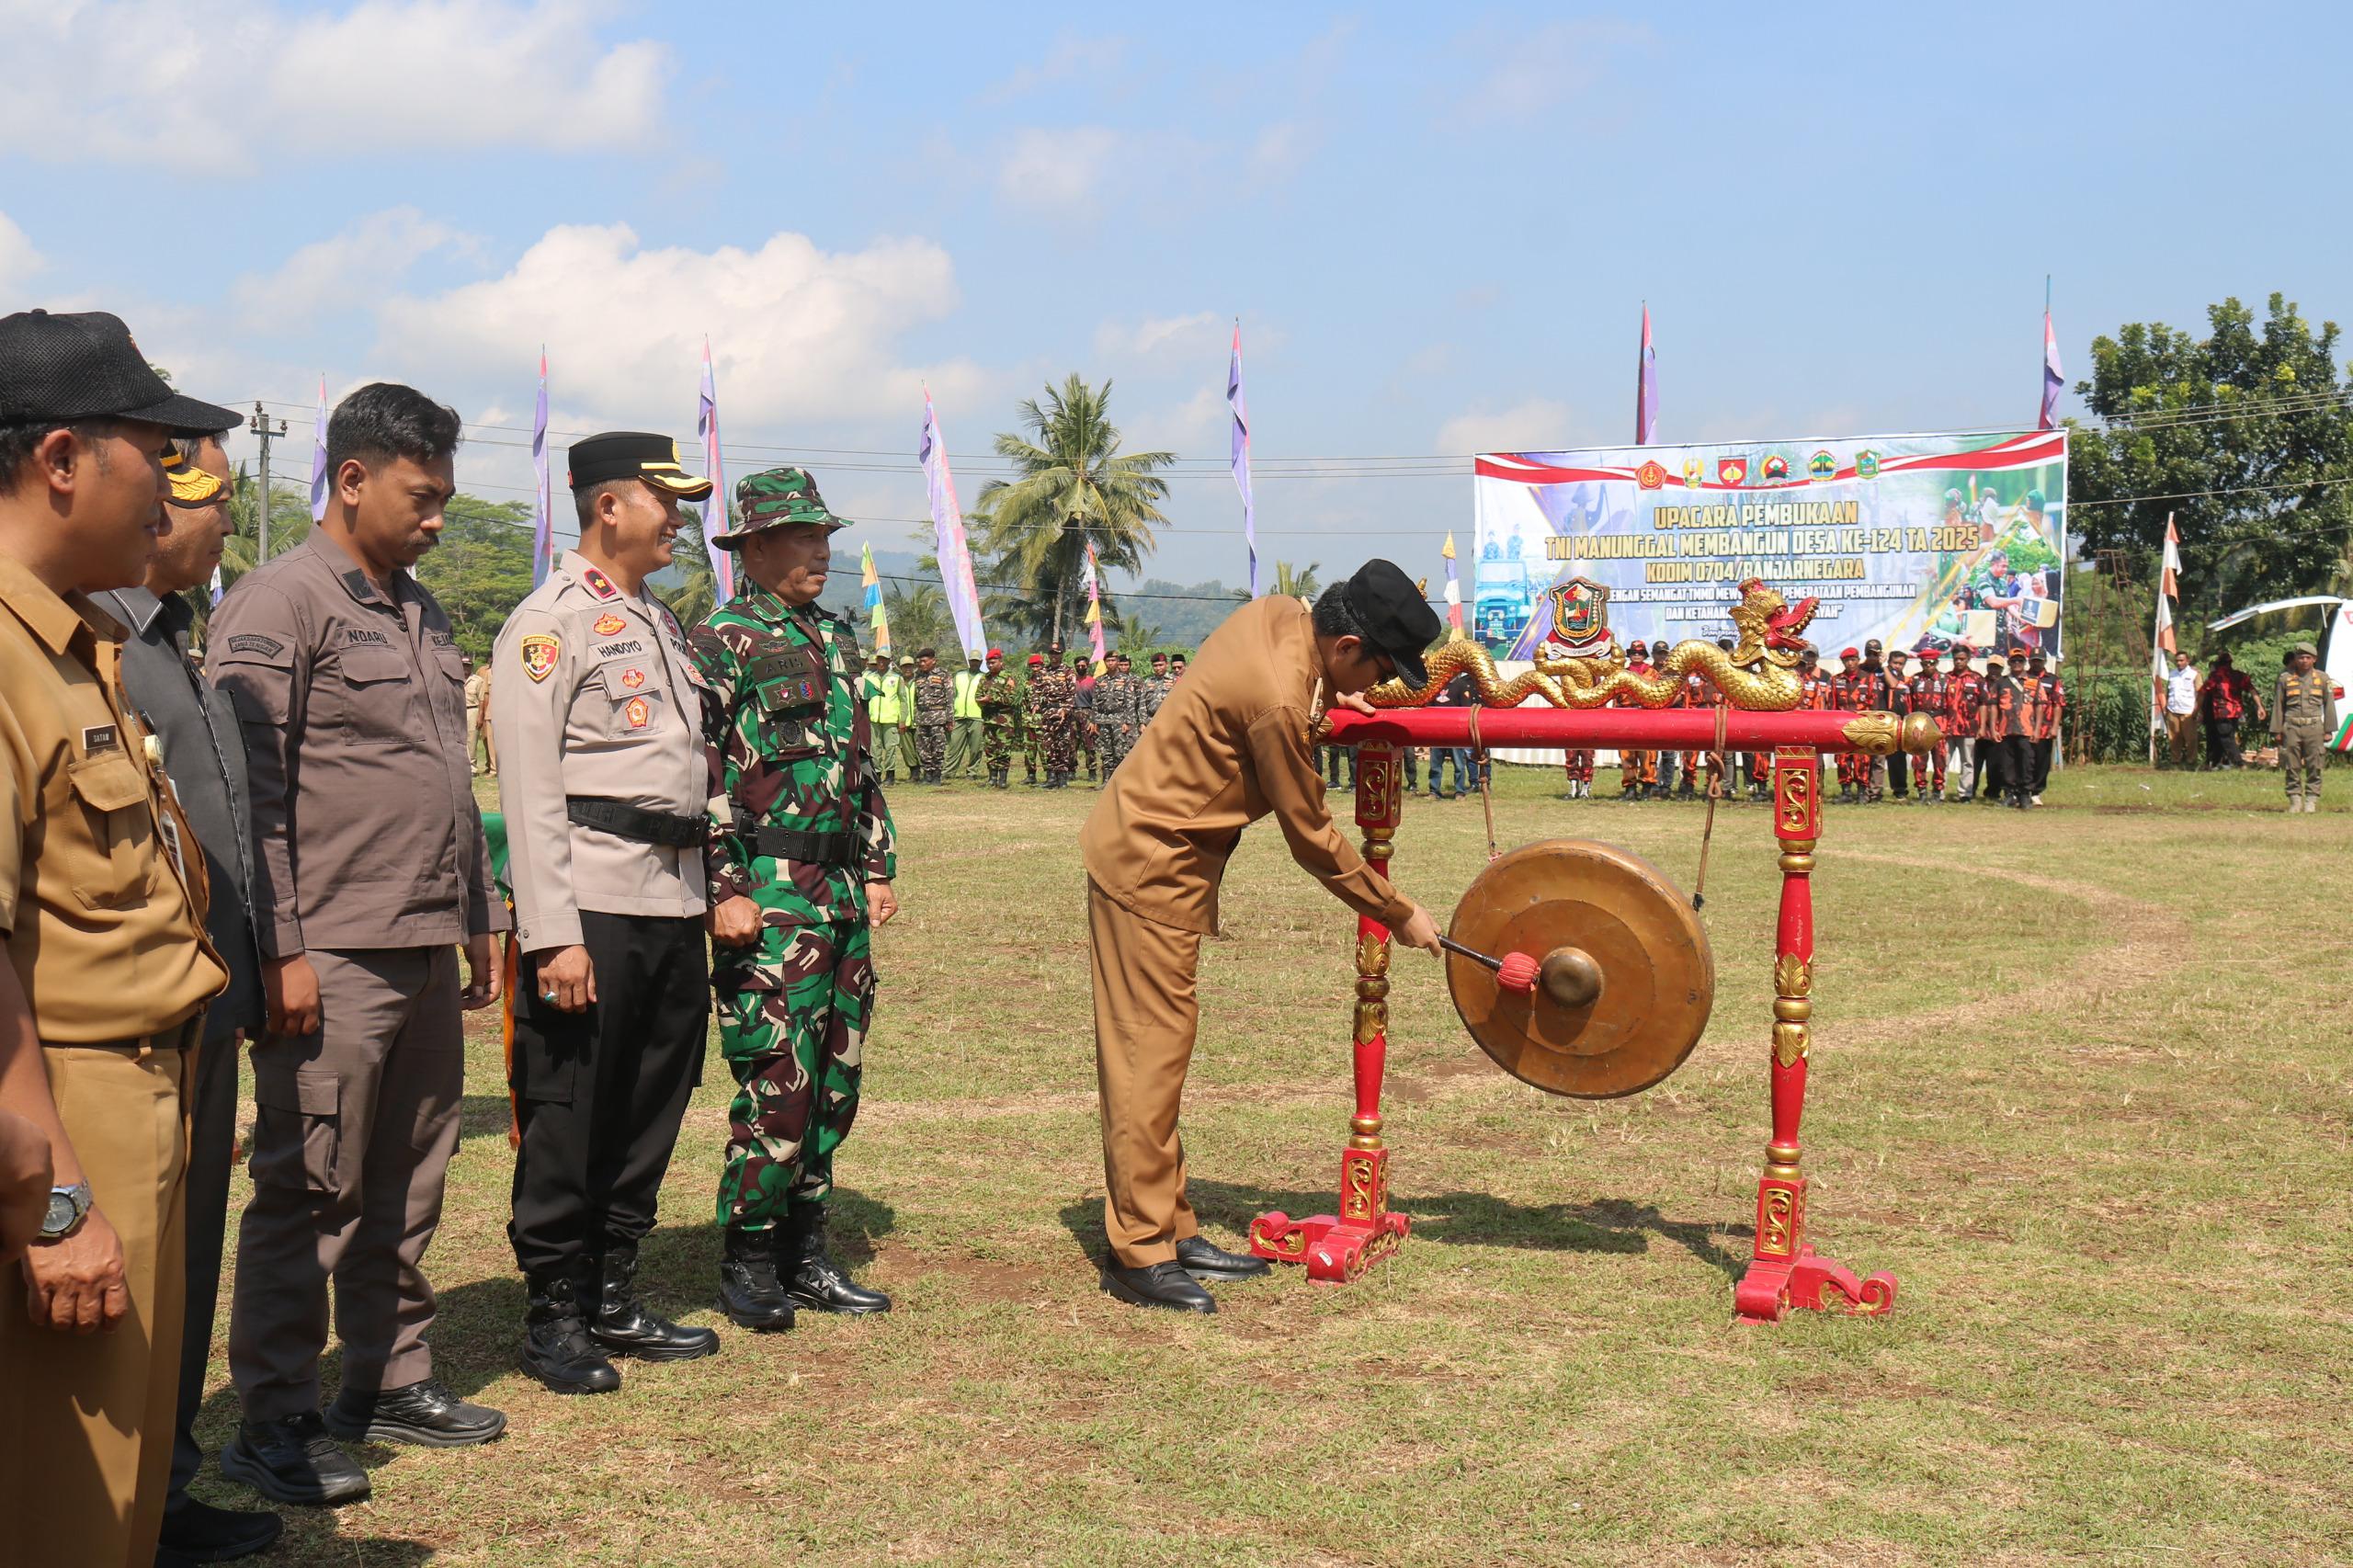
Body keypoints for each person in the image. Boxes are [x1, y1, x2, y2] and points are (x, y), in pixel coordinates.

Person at [210, 382, 507, 1506]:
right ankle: (273, 1418)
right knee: (310, 1186)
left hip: (425, 936)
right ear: (351, 477)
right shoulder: (278, 605)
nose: (436, 519)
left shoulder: (420, 611)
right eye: (422, 497)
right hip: (329, 948)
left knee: (412, 1174)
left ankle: (388, 1377)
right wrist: (279, 947)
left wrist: (480, 916)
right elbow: (253, 800)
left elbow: (446, 778)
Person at [0, 311, 237, 1568]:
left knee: (128, 1491)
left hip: (145, 1082)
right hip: (65, 1116)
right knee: (64, 1506)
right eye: (154, 449)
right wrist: (54, 1203)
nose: (173, 481)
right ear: (60, 460)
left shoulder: (76, 635)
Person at [1080, 564, 1446, 1312]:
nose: (1374, 686)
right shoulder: (1281, 699)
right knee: (1147, 1056)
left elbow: (1293, 693)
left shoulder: (1281, 616)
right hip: (1150, 867)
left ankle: (1172, 1228)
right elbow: (1311, 834)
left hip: (1162, 857)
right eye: (1376, 669)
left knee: (1163, 1049)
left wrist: (1331, 696)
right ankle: (1139, 1253)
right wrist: (1396, 909)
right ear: (1345, 644)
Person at [492, 432, 723, 1396]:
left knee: (649, 1102)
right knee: (573, 1106)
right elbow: (533, 786)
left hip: (670, 897)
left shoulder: (656, 621)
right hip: (591, 899)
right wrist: (553, 933)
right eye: (662, 500)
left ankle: (613, 1288)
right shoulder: (550, 623)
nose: (678, 519)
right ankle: (554, 1311)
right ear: (608, 507)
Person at [92, 426, 283, 1564]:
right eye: (207, 504)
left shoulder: (176, 637)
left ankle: (162, 1486)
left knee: (187, 1251)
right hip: (132, 1014)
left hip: (206, 997)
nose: (216, 527)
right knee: (132, 1260)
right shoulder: (102, 639)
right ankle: (119, 1499)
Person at [693, 469, 899, 1328]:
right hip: (770, 901)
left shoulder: (831, 637)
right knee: (778, 1081)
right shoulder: (720, 639)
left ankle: (805, 1252)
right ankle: (748, 1254)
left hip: (840, 894)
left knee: (834, 1083)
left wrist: (879, 864)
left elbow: (859, 768)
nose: (823, 552)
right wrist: (723, 884)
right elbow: (693, 768)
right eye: (805, 537)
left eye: (825, 537)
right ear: (756, 547)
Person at [2271, 642, 2340, 812]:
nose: (2303, 661)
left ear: (2314, 659)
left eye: (2307, 657)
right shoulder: (2285, 678)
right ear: (2295, 659)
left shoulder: (2323, 678)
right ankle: (2295, 800)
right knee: (2291, 764)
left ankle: (2311, 800)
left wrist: (2328, 730)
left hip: (2314, 726)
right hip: (2291, 725)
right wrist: (2277, 730)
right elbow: (2278, 705)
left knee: (2315, 764)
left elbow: (2329, 704)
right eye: (2300, 657)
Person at [1982, 650, 2031, 809]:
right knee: (2007, 764)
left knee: (2026, 763)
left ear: (2024, 663)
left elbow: (2039, 706)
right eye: (2014, 661)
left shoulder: (2032, 682)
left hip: (2026, 729)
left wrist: (2037, 729)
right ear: (2009, 663)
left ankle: (2024, 795)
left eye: (2020, 661)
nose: (2017, 663)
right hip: (2005, 729)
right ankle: (2009, 794)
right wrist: (1993, 728)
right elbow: (1993, 707)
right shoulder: (2001, 683)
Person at [2200, 652, 2261, 767]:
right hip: (2236, 712)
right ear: (2230, 663)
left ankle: (2240, 763)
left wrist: (2196, 709)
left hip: (2222, 712)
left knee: (2227, 738)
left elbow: (2202, 693)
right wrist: (2260, 706)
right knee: (2223, 737)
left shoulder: (2216, 676)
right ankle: (2214, 763)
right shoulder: (2239, 675)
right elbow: (2252, 690)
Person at [975, 647, 1024, 789]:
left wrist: (992, 698)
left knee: (1003, 749)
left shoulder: (1007, 678)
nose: (990, 665)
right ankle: (992, 778)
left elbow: (1011, 699)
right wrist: (982, 701)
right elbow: (977, 696)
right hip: (988, 719)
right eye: (988, 663)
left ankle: (1002, 779)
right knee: (990, 749)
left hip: (1004, 720)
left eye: (993, 662)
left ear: (1000, 662)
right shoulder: (985, 678)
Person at [1029, 651, 1077, 787]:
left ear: (1061, 655)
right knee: (1048, 745)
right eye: (1051, 655)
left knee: (1062, 744)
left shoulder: (1068, 671)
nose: (1054, 657)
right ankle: (1051, 778)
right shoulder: (1043, 672)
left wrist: (1066, 710)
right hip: (1047, 712)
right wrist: (1035, 704)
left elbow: (1072, 693)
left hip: (1061, 712)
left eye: (1056, 654)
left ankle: (1062, 779)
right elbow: (1035, 690)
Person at [2022, 651, 2065, 804]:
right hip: (2025, 727)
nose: (2036, 664)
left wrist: (2055, 727)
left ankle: (2036, 792)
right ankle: (2023, 790)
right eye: (2033, 660)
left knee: (2042, 761)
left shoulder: (2052, 680)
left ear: (2045, 661)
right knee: (2025, 760)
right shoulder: (2023, 678)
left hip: (2045, 729)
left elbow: (2058, 705)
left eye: (2039, 661)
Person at [1906, 648, 1949, 801]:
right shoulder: (1915, 680)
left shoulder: (1945, 680)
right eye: (1925, 664)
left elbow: (1952, 704)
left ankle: (1938, 790)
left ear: (1936, 663)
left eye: (1931, 663)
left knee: (1940, 759)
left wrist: (1948, 726)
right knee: (1919, 758)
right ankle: (1921, 791)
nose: (1928, 666)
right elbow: (1909, 704)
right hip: (1920, 722)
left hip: (1939, 722)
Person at [1429, 666, 1478, 800]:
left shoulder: (1462, 685)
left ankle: (1459, 791)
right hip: (1438, 731)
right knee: (1435, 764)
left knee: (1459, 764)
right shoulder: (1437, 685)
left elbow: (1466, 710)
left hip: (1455, 733)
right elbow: (1430, 706)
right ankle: (1434, 791)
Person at [1618, 641, 1659, 800]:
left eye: (1640, 652)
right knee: (1627, 753)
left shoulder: (1653, 673)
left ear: (1644, 655)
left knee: (1647, 753)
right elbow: (1616, 697)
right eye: (1634, 652)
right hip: (1626, 715)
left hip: (1646, 715)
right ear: (1629, 654)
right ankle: (1630, 789)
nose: (1637, 655)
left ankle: (1647, 788)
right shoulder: (1622, 673)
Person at [861, 652, 907, 784]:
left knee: (890, 748)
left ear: (889, 661)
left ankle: (890, 775)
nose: (881, 662)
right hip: (873, 719)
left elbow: (903, 700)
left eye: (884, 660)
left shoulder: (896, 678)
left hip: (891, 719)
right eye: (879, 659)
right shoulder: (869, 677)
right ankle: (877, 774)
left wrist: (902, 719)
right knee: (874, 749)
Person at [909, 647, 953, 785]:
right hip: (922, 717)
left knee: (938, 747)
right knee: (923, 747)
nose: (921, 664)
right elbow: (916, 698)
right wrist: (916, 716)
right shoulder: (918, 676)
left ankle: (937, 775)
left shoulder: (943, 674)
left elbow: (950, 697)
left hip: (938, 717)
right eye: (919, 662)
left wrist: (949, 719)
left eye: (924, 661)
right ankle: (927, 774)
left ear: (933, 661)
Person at [1944, 646, 1983, 800]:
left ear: (1968, 659)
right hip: (1947, 728)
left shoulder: (1977, 679)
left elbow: (1984, 703)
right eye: (1956, 659)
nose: (1959, 662)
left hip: (1968, 727)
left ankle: (1965, 794)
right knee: (1943, 761)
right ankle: (1939, 792)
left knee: (1968, 763)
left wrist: (1981, 727)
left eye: (1962, 659)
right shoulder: (1945, 678)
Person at [945, 653, 985, 781]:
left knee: (975, 748)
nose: (974, 663)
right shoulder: (959, 675)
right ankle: (948, 772)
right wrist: (950, 715)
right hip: (959, 716)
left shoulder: (984, 677)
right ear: (968, 661)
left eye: (977, 661)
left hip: (977, 716)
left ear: (981, 662)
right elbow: (951, 695)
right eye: (972, 661)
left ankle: (972, 772)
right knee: (954, 746)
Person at [2162, 650, 2200, 767]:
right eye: (2177, 660)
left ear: (2187, 661)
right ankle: (2175, 760)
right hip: (2173, 709)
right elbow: (2168, 691)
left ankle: (2191, 761)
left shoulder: (2194, 674)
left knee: (2191, 739)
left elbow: (2199, 693)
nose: (2179, 663)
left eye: (2181, 660)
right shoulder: (2172, 674)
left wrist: (2198, 710)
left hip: (2188, 710)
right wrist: (2165, 707)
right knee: (2174, 738)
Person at [1070, 653, 1101, 783]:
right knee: (1072, 744)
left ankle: (1092, 771)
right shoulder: (1071, 680)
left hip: (1087, 713)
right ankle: (1071, 770)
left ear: (1087, 666)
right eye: (1078, 666)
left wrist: (1094, 720)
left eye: (1083, 665)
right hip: (1072, 714)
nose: (1081, 667)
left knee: (1089, 744)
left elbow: (1096, 702)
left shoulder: (1092, 682)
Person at [1020, 653, 1048, 785]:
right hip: (1029, 721)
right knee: (1029, 750)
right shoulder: (1028, 682)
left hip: (1043, 722)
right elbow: (1024, 702)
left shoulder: (1048, 682)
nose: (1035, 669)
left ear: (1042, 666)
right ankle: (1031, 775)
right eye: (1033, 667)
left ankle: (1050, 776)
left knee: (1045, 750)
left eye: (1038, 666)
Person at [894, 654, 921, 779]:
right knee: (907, 749)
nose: (907, 669)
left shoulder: (920, 680)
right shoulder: (896, 681)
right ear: (901, 668)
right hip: (903, 720)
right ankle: (914, 771)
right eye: (905, 667)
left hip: (919, 720)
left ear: (914, 667)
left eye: (910, 666)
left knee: (921, 747)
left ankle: (925, 771)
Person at [1140, 651, 1174, 728]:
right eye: (1155, 666)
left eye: (1161, 665)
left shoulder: (1174, 680)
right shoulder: (1148, 681)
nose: (1158, 668)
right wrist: (1142, 723)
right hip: (1150, 721)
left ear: (1167, 665)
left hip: (1169, 721)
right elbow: (1142, 704)